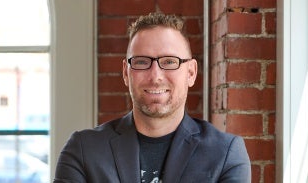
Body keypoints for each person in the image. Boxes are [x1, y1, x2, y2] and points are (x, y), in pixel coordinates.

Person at [53, 12, 251, 183]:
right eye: (141, 62)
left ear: (191, 73)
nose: (155, 76)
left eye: (169, 61)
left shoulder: (225, 154)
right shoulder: (83, 150)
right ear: (125, 72)